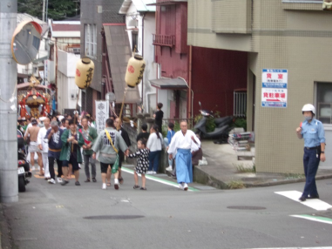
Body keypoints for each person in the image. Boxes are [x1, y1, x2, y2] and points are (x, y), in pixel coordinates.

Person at [296, 104, 326, 202]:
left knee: (310, 173)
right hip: (306, 150)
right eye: (305, 113)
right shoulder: (303, 124)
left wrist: (322, 152)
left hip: (315, 151)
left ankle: (304, 194)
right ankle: (314, 193)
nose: (306, 115)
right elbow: (300, 137)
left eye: (308, 113)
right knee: (307, 173)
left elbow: (322, 139)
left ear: (312, 114)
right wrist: (298, 132)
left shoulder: (318, 124)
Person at [92, 118, 129, 190]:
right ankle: (115, 180)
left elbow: (97, 144)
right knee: (115, 169)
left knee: (103, 170)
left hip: (104, 155)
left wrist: (94, 152)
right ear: (113, 124)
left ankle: (104, 184)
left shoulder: (102, 133)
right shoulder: (116, 133)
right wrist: (125, 150)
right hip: (114, 155)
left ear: (106, 124)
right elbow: (122, 143)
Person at [168, 121, 201, 191]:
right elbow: (172, 143)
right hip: (180, 153)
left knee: (186, 168)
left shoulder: (191, 133)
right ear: (180, 126)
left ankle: (181, 182)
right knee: (183, 168)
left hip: (188, 153)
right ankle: (185, 183)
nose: (184, 127)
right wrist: (170, 153)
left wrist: (194, 140)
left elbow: (198, 143)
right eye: (183, 126)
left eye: (185, 126)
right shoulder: (177, 134)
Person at [60, 119, 84, 186]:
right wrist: (69, 139)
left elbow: (82, 142)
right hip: (67, 152)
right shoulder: (66, 132)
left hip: (75, 152)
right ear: (69, 125)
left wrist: (76, 142)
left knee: (76, 167)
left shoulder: (79, 134)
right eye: (72, 125)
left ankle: (77, 180)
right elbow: (63, 139)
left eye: (75, 124)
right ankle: (65, 179)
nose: (73, 126)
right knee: (64, 165)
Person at [79, 116, 98, 183]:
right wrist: (82, 145)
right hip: (85, 150)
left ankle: (93, 176)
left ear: (88, 122)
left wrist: (91, 144)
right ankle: (87, 177)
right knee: (86, 163)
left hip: (92, 149)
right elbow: (79, 140)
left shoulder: (92, 130)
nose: (84, 123)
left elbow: (96, 138)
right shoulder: (80, 131)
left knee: (93, 163)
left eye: (85, 121)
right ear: (81, 123)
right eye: (83, 122)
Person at [114, 117, 131, 184]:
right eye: (115, 121)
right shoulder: (112, 131)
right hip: (112, 151)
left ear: (121, 123)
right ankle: (112, 179)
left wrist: (127, 150)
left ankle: (119, 176)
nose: (116, 123)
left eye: (118, 122)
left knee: (118, 165)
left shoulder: (124, 132)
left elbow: (127, 142)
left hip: (120, 151)